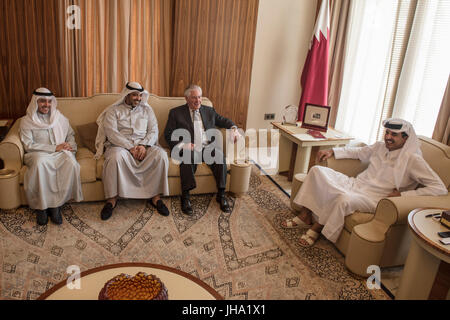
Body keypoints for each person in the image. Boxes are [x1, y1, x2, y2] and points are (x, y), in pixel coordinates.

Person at [282, 118, 448, 247]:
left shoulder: (413, 160)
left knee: (344, 199)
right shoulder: (380, 146)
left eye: (394, 135)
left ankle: (316, 229)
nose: (388, 137)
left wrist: (404, 194)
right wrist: (332, 150)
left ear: (405, 138)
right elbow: (359, 152)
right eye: (387, 133)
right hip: (355, 184)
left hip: (375, 198)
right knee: (316, 171)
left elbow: (438, 188)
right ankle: (305, 215)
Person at [95, 82, 169, 220]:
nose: (138, 98)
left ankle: (155, 197)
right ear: (126, 95)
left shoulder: (147, 110)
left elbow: (154, 130)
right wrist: (130, 147)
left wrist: (143, 145)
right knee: (115, 157)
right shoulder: (113, 110)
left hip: (144, 146)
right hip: (120, 146)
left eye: (140, 95)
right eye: (135, 95)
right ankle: (111, 199)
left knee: (161, 155)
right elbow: (111, 133)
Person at [164, 84, 240, 215]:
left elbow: (223, 120)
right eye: (194, 98)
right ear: (186, 98)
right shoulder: (176, 113)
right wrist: (183, 145)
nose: (197, 101)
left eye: (199, 97)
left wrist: (233, 128)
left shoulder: (209, 110)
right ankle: (186, 197)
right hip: (189, 148)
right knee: (188, 157)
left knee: (219, 157)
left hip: (207, 147)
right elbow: (168, 133)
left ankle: (221, 194)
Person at [20, 88, 83, 225]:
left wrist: (69, 148)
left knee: (71, 163)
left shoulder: (60, 118)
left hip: (59, 153)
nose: (46, 105)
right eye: (42, 101)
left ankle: (56, 205)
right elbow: (28, 145)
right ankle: (41, 208)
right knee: (41, 163)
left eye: (49, 101)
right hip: (37, 154)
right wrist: (54, 147)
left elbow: (70, 135)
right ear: (36, 102)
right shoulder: (26, 121)